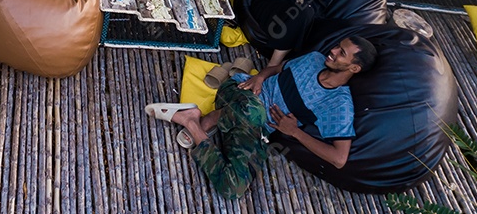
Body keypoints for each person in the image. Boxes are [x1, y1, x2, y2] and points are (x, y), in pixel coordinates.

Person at [146, 36, 377, 198]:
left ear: (354, 68)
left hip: (258, 128)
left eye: (341, 53)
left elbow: (339, 158)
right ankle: (209, 120)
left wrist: (295, 132)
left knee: (234, 188)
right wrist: (260, 76)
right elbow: (278, 69)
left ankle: (193, 122)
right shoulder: (314, 59)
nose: (333, 51)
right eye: (337, 46)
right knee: (253, 110)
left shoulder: (339, 104)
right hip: (240, 92)